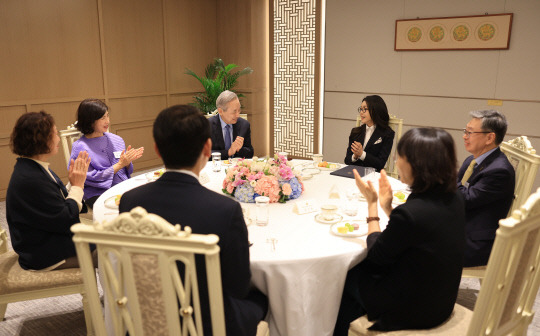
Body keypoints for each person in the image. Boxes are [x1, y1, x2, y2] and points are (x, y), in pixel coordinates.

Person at [119, 105, 267, 336]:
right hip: (208, 325)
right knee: (264, 298)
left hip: (149, 318)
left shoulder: (129, 202)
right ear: (208, 148)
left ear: (157, 149)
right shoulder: (225, 209)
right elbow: (238, 286)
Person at [334, 128, 465, 335]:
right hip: (441, 298)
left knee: (342, 275)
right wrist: (388, 207)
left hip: (414, 309)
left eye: (400, 156)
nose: (395, 161)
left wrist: (373, 205)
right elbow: (416, 234)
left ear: (417, 164)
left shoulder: (412, 213)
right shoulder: (454, 198)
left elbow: (376, 257)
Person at [6, 111, 92, 270]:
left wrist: (74, 183)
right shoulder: (30, 179)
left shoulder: (31, 166)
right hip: (42, 253)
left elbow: (54, 201)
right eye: (54, 134)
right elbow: (66, 219)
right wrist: (78, 187)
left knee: (105, 237)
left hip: (47, 238)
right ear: (40, 140)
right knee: (112, 250)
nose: (59, 138)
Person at [458, 110, 515, 267]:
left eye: (470, 132)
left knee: (417, 243)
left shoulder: (499, 171)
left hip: (476, 242)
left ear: (490, 137)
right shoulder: (472, 160)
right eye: (465, 131)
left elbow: (466, 199)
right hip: (461, 223)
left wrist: (445, 175)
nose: (464, 136)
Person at [70, 98, 144, 207]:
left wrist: (127, 162)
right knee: (130, 205)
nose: (107, 121)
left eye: (108, 116)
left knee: (148, 196)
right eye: (102, 118)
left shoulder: (116, 139)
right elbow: (89, 178)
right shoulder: (80, 147)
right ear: (90, 120)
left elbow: (126, 172)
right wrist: (120, 164)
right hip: (97, 193)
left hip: (122, 186)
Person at [344, 95, 395, 171]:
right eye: (361, 109)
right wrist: (355, 156)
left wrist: (362, 154)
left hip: (372, 176)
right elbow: (347, 160)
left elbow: (380, 164)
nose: (361, 112)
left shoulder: (387, 134)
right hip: (353, 173)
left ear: (375, 110)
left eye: (365, 109)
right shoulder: (355, 132)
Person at [208, 90, 254, 159]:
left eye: (239, 110)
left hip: (236, 168)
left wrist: (239, 149)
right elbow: (203, 154)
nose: (238, 115)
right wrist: (228, 152)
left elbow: (250, 153)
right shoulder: (208, 125)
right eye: (234, 112)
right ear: (220, 111)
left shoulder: (244, 125)